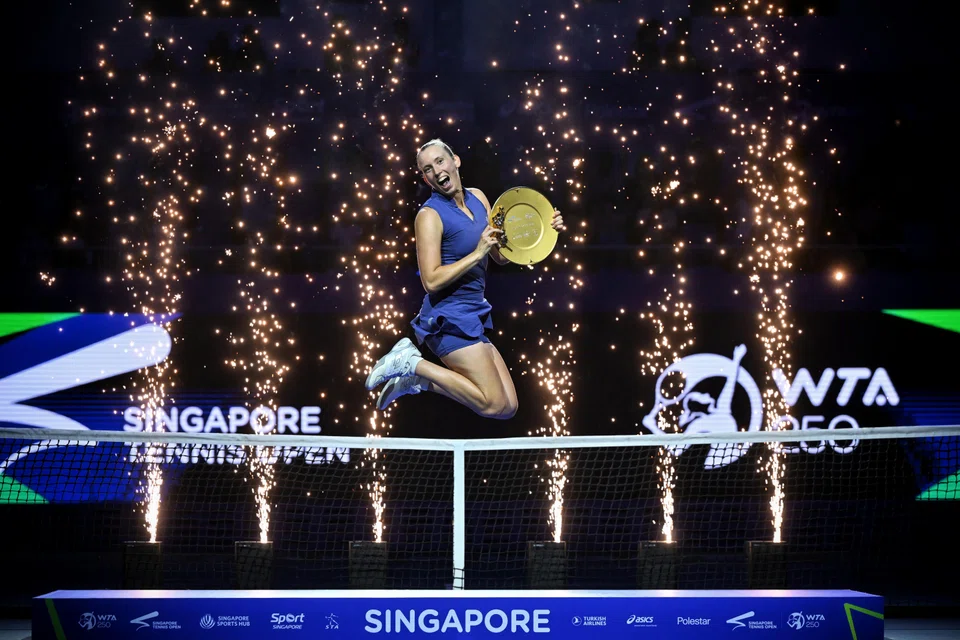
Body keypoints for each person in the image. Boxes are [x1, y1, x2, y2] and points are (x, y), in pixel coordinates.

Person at [364, 139, 564, 418]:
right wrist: (477, 253)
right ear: (425, 179)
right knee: (492, 403)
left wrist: (545, 229)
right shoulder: (429, 215)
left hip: (474, 313)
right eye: (428, 169)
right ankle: (411, 362)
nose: (437, 171)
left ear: (455, 160)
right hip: (448, 318)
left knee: (508, 406)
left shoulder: (479, 198)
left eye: (440, 161)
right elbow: (431, 281)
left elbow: (500, 255)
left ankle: (417, 380)